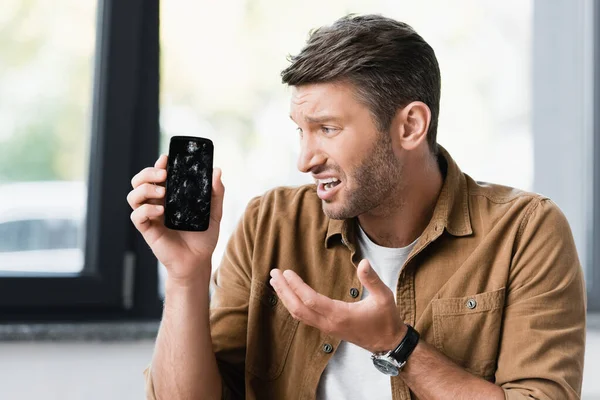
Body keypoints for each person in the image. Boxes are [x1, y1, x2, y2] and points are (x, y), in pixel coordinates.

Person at [128, 14, 586, 400]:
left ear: (410, 126)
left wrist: (395, 344)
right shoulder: (269, 224)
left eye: (327, 129)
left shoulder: (526, 232)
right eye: (300, 131)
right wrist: (186, 276)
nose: (305, 160)